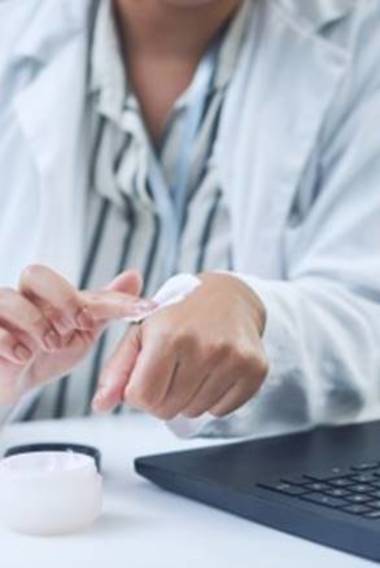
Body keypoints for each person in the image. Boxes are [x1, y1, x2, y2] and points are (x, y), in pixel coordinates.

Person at [0, 0, 379, 438]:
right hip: (30, 485)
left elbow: (368, 319)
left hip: (244, 488)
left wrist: (258, 312)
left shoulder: (363, 38)